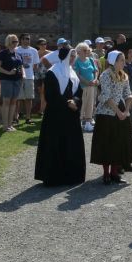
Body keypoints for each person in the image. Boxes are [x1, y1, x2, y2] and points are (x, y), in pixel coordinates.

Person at [34, 47, 86, 186]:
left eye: (74, 56)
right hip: (56, 115)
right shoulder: (53, 72)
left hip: (71, 115)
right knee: (55, 144)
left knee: (71, 145)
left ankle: (71, 176)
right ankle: (54, 177)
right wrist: (66, 103)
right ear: (65, 57)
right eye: (71, 56)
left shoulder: (73, 73)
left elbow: (78, 92)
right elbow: (51, 95)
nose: (73, 58)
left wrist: (75, 102)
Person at [90, 50, 132, 185]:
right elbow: (106, 96)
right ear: (113, 61)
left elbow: (127, 93)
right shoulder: (105, 75)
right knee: (107, 143)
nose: (124, 62)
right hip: (107, 113)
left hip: (120, 109)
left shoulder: (123, 75)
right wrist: (118, 112)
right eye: (121, 60)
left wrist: (126, 110)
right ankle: (106, 173)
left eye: (123, 60)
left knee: (119, 142)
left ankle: (114, 173)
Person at [0, 34, 24, 132]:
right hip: (6, 80)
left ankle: (10, 124)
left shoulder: (18, 54)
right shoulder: (2, 53)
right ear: (8, 42)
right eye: (13, 41)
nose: (16, 43)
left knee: (13, 102)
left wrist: (23, 76)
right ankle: (5, 126)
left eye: (17, 41)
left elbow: (21, 66)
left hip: (17, 80)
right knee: (6, 101)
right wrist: (8, 72)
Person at [74, 42, 99, 132]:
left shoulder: (91, 59)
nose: (87, 51)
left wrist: (95, 79)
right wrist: (87, 82)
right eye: (85, 50)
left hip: (92, 86)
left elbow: (96, 71)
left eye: (88, 50)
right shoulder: (76, 61)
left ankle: (88, 124)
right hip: (82, 86)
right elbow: (77, 74)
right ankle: (79, 123)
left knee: (90, 104)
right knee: (82, 104)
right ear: (79, 51)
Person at [15, 34, 40, 125]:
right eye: (24, 39)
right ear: (20, 40)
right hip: (18, 77)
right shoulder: (16, 50)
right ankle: (16, 118)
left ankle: (28, 118)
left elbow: (36, 65)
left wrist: (29, 72)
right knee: (18, 98)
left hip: (29, 77)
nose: (26, 40)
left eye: (28, 39)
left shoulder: (34, 50)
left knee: (29, 98)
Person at [33, 38, 50, 114]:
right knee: (40, 92)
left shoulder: (50, 53)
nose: (44, 46)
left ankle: (42, 110)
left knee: (44, 91)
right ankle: (43, 108)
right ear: (38, 45)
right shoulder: (35, 53)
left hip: (46, 74)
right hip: (37, 74)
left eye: (45, 44)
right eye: (42, 44)